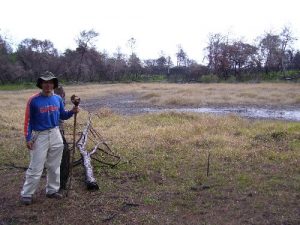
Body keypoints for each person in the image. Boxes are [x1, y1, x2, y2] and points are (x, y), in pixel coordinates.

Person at [20, 71, 79, 205]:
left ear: (54, 84)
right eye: (45, 82)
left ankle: (52, 190)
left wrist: (72, 112)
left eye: (50, 82)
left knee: (54, 165)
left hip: (55, 133)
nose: (48, 85)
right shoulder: (33, 100)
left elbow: (62, 115)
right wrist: (28, 138)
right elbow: (27, 121)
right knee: (36, 166)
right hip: (39, 135)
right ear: (41, 84)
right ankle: (27, 193)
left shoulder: (57, 99)